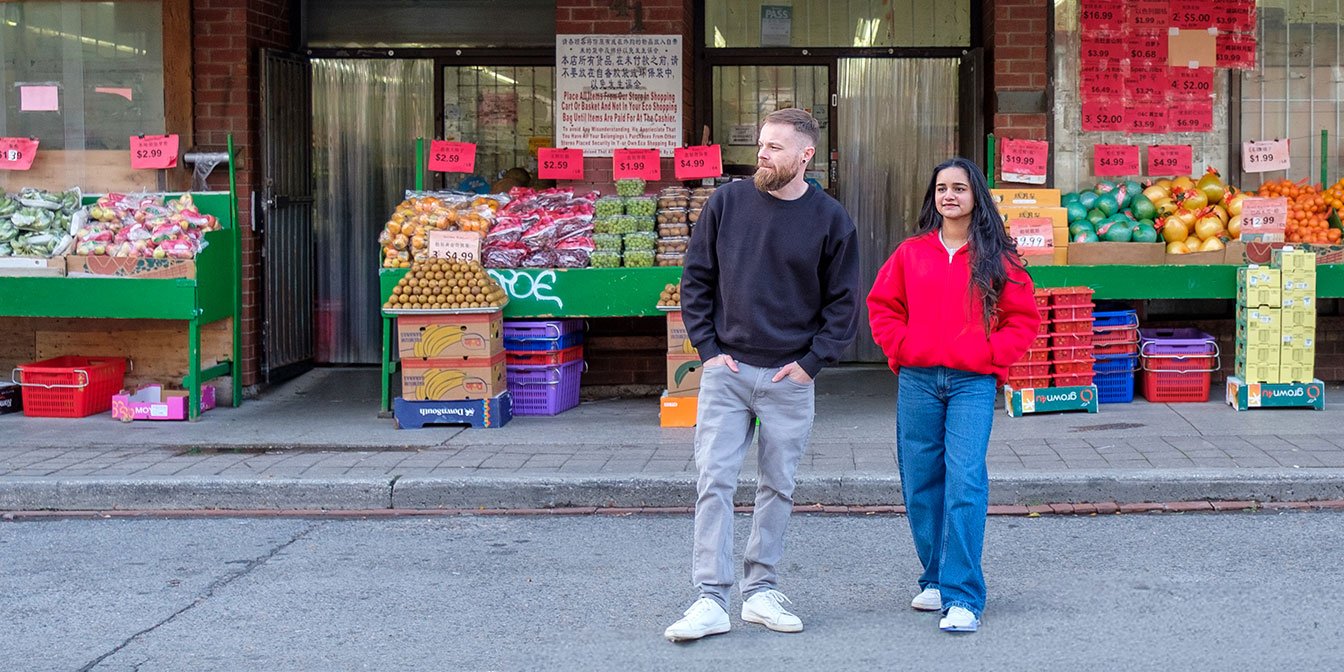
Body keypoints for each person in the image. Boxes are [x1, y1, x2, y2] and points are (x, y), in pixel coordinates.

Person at [664, 108, 861, 642]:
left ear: (806, 155)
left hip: (788, 377)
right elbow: (696, 279)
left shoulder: (831, 219)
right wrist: (706, 349)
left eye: (775, 147)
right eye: (760, 146)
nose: (763, 156)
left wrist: (812, 364)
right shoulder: (726, 203)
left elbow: (844, 304)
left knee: (779, 485)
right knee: (714, 481)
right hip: (727, 370)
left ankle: (760, 592)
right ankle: (709, 598)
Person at [865, 157, 1040, 634]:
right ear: (933, 197)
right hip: (918, 382)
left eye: (959, 188)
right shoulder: (910, 253)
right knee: (921, 481)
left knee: (965, 481)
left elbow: (1023, 320)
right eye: (941, 187)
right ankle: (936, 578)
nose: (949, 195)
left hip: (971, 383)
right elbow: (882, 307)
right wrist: (901, 349)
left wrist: (990, 356)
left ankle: (964, 596)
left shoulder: (997, 258)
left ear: (974, 196)